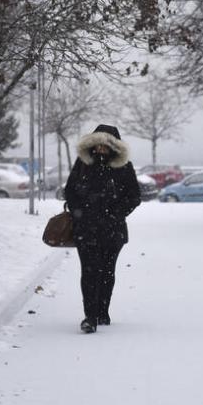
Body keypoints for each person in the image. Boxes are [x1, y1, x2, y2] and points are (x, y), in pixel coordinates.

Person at [64, 124, 142, 334]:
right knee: (89, 272)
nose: (100, 150)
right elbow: (69, 191)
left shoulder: (124, 167)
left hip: (112, 231)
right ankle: (90, 317)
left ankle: (102, 311)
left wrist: (116, 213)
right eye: (97, 145)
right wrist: (79, 212)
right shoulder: (82, 164)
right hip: (86, 229)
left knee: (107, 272)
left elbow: (134, 196)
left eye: (105, 146)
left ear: (114, 148)